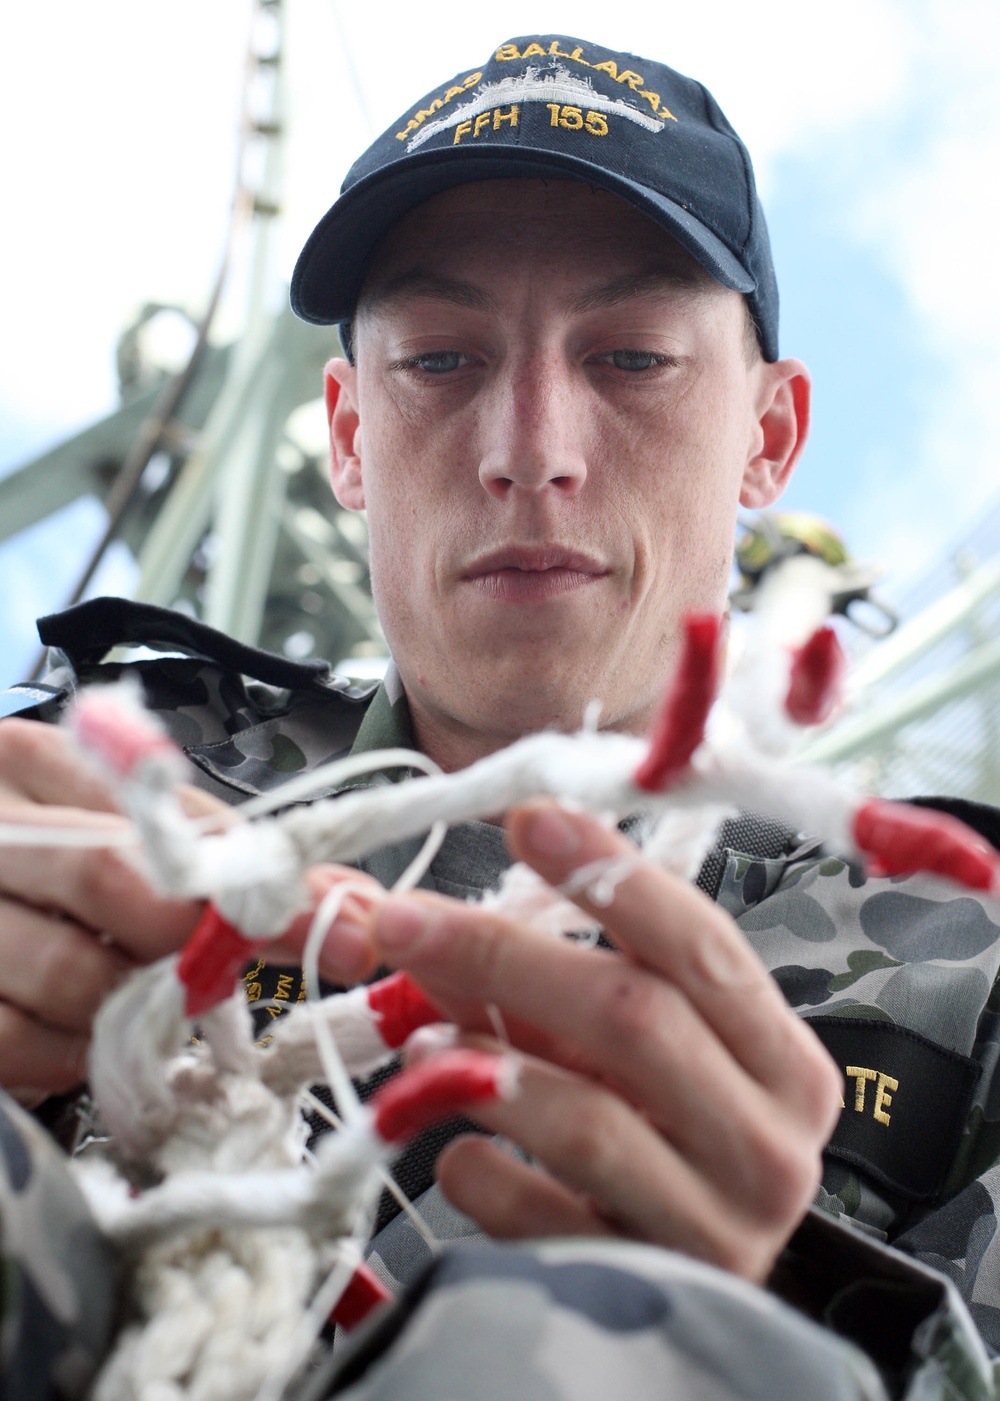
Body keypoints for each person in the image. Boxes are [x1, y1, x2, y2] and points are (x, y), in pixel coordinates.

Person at [2, 33, 999, 1400]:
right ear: (348, 436)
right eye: (443, 359)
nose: (531, 447)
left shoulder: (968, 962)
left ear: (770, 435)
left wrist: (772, 1326)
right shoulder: (104, 772)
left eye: (636, 357)